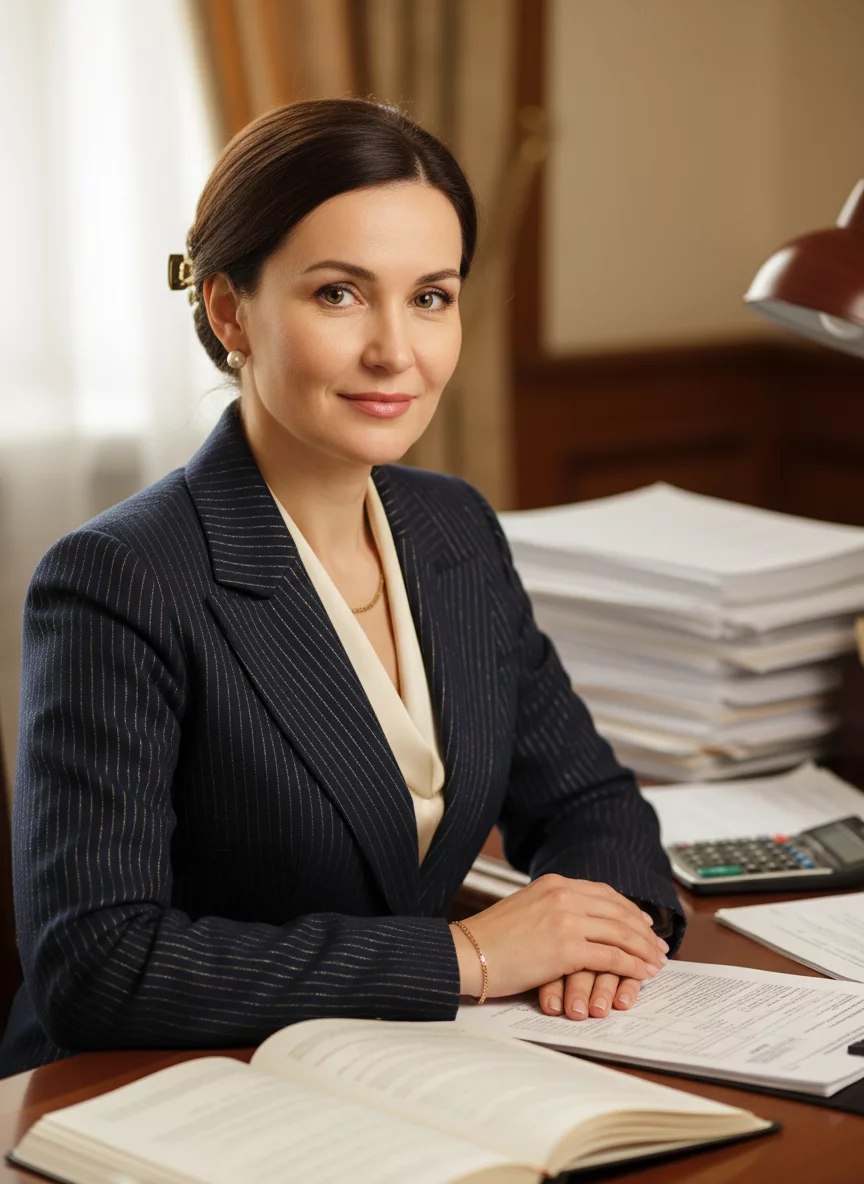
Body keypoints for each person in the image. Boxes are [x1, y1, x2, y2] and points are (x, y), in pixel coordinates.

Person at [0, 98, 682, 1077]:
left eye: (432, 296)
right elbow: (95, 962)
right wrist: (469, 954)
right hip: (157, 1094)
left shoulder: (453, 528)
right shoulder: (119, 579)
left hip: (400, 1072)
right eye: (339, 294)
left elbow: (590, 799)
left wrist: (606, 936)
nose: (396, 350)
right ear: (230, 308)